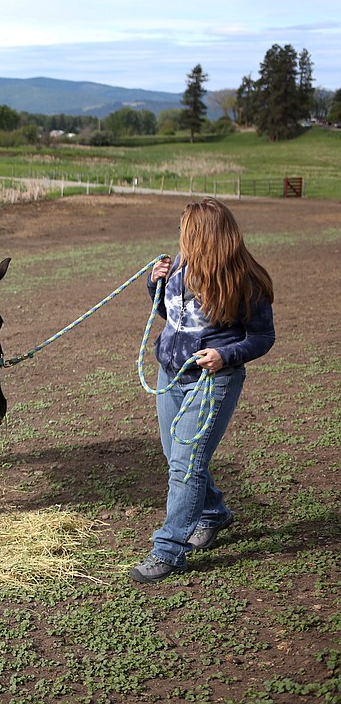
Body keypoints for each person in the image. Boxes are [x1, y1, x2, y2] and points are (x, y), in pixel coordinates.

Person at [129, 197, 275, 584]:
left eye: (187, 233)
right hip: (171, 374)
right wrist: (154, 283)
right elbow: (172, 317)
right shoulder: (178, 268)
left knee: (186, 465)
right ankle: (213, 514)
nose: (181, 240)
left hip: (214, 379)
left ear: (205, 238)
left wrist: (226, 355)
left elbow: (263, 337)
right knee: (175, 455)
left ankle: (168, 551)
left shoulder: (247, 281)